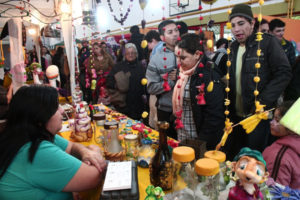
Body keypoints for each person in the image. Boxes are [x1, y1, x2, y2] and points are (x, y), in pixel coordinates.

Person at [0, 85, 106, 200]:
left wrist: (86, 153)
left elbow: (71, 147)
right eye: (56, 107)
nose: (62, 110)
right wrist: (95, 151)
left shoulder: (27, 134)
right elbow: (94, 177)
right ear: (40, 117)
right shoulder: (37, 151)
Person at [222, 4, 292, 160]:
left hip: (258, 116)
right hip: (235, 116)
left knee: (255, 159)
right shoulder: (232, 47)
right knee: (236, 157)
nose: (236, 29)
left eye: (241, 24)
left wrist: (262, 101)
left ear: (252, 24)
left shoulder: (267, 43)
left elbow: (284, 73)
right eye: (233, 25)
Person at [173, 33, 225, 150]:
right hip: (182, 133)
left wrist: (200, 144)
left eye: (182, 57)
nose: (178, 62)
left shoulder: (209, 76)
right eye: (176, 56)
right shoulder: (182, 71)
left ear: (197, 54)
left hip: (200, 140)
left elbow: (214, 117)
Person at [146, 20, 179, 139]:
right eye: (170, 32)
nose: (175, 34)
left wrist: (181, 76)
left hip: (187, 109)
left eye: (176, 30)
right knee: (167, 144)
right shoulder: (156, 59)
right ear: (162, 37)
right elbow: (151, 88)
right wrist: (171, 82)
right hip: (166, 110)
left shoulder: (187, 50)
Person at [263, 100, 300, 189]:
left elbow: (272, 193)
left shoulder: (279, 156)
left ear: (291, 125)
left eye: (277, 120)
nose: (271, 122)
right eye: (273, 118)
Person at [106, 43, 146, 120]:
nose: (130, 55)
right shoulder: (118, 66)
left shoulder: (141, 66)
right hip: (123, 103)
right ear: (124, 54)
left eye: (132, 53)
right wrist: (117, 85)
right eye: (128, 53)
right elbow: (109, 81)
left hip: (138, 103)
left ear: (136, 54)